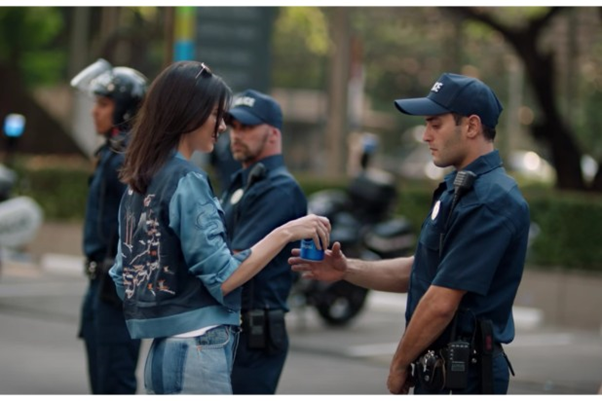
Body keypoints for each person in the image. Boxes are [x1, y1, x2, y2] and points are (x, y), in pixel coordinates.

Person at [290, 72, 530, 395]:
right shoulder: (458, 189)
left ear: (471, 126)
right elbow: (420, 270)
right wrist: (346, 269)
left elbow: (442, 300)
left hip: (464, 376)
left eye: (435, 124)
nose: (426, 135)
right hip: (443, 371)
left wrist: (399, 363)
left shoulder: (490, 200)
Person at [108, 61, 330, 395]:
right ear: (190, 113)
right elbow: (224, 276)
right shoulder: (188, 179)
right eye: (217, 115)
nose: (223, 128)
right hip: (200, 347)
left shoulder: (139, 182)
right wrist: (287, 231)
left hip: (160, 353)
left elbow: (123, 277)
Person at [220, 89, 307, 394]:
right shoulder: (242, 181)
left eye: (246, 127)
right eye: (233, 126)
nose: (236, 134)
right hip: (232, 327)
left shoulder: (278, 189)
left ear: (272, 134)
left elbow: (231, 260)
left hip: (254, 333)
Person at [71, 61, 147, 394]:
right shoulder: (111, 152)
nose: (94, 112)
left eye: (103, 104)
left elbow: (138, 228)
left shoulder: (127, 157)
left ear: (126, 110)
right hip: (98, 287)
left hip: (116, 292)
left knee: (114, 384)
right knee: (101, 382)